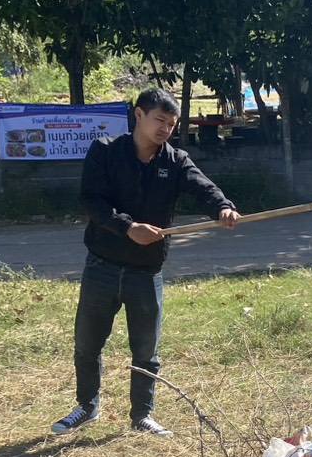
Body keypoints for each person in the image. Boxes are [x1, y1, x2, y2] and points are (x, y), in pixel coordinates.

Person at [51, 88, 240, 438]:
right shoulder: (105, 151)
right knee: (88, 343)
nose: (165, 129)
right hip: (102, 266)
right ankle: (87, 406)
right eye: (159, 120)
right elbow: (92, 201)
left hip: (146, 271)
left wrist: (223, 207)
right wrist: (128, 227)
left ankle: (142, 415)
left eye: (171, 124)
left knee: (146, 350)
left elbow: (204, 189)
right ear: (139, 115)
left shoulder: (176, 161)